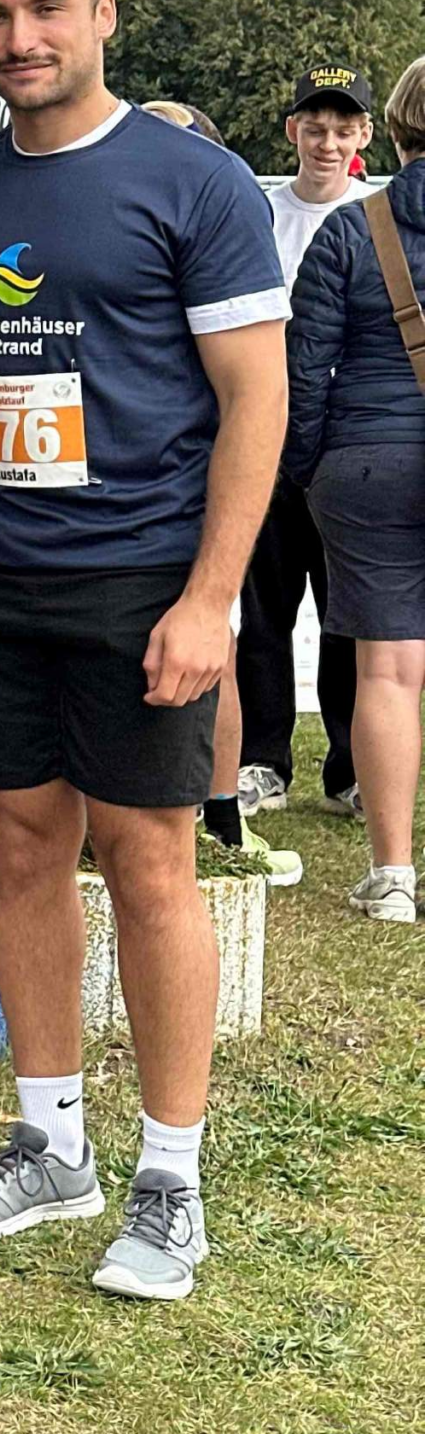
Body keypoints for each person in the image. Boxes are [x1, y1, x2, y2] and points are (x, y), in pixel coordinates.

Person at [0, 0, 287, 1302]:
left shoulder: (190, 181)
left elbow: (258, 401)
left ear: (104, 16)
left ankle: (171, 1177)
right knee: (23, 849)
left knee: (149, 861)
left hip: (143, 582)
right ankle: (49, 1140)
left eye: (48, 8)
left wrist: (211, 600)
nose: (20, 37)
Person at [138, 104, 301, 891]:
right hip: (126, 500)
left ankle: (223, 814)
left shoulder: (218, 217)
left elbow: (254, 390)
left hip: (201, 486)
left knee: (220, 651)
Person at [285, 56, 425, 925]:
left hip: (368, 463)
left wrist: (308, 472)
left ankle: (394, 877)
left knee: (390, 669)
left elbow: (303, 375)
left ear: (396, 128)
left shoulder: (349, 230)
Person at [236, 66, 374, 820]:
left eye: (342, 128)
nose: (327, 142)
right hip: (267, 443)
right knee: (264, 612)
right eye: (314, 127)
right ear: (292, 131)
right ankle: (263, 761)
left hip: (345, 448)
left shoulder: (378, 220)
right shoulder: (257, 215)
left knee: (347, 614)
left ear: (364, 136)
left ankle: (350, 768)